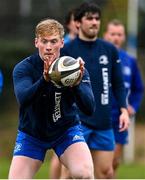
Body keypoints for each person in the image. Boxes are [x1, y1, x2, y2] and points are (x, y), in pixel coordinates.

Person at [8, 18, 96, 179]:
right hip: (32, 135)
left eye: (53, 41)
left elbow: (89, 109)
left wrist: (76, 84)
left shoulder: (75, 68)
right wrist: (45, 80)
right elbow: (24, 99)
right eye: (44, 41)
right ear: (36, 42)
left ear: (62, 43)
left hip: (66, 131)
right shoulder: (24, 68)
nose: (48, 47)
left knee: (84, 173)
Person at [61, 2, 130, 179]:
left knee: (106, 172)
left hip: (103, 121)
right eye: (89, 18)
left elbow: (118, 83)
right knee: (70, 173)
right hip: (75, 123)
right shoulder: (67, 50)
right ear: (77, 23)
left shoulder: (109, 50)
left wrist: (123, 109)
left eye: (97, 18)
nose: (94, 22)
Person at [103, 19, 144, 177]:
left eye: (119, 34)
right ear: (106, 35)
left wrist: (132, 106)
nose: (116, 37)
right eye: (113, 34)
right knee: (97, 162)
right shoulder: (99, 56)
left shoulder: (130, 61)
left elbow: (138, 89)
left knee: (113, 162)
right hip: (99, 116)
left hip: (120, 118)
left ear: (124, 37)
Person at [49, 9, 78, 179]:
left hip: (75, 99)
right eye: (75, 20)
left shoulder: (85, 45)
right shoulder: (63, 45)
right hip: (62, 100)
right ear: (69, 24)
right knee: (60, 153)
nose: (78, 23)